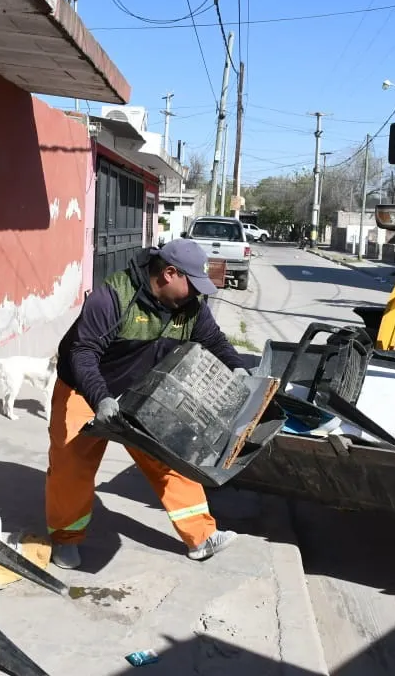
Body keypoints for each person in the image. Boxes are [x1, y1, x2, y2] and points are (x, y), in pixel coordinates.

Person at [45, 238, 249, 570]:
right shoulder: (112, 298)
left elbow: (214, 341)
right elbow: (83, 354)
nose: (198, 293)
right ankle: (66, 540)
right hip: (85, 388)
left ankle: (200, 537)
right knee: (72, 464)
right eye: (192, 284)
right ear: (169, 274)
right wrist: (100, 398)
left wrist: (238, 366)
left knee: (170, 458)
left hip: (143, 391)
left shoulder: (190, 308)